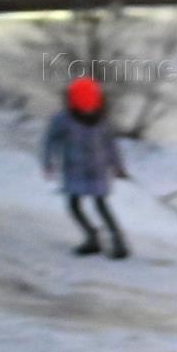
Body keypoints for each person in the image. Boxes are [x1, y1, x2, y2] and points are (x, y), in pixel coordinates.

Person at [41, 77, 129, 259]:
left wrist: (118, 166)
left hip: (97, 170)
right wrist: (48, 162)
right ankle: (92, 238)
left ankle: (118, 242)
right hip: (75, 170)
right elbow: (50, 140)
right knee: (74, 205)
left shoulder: (103, 120)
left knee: (100, 205)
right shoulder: (63, 120)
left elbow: (110, 145)